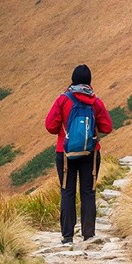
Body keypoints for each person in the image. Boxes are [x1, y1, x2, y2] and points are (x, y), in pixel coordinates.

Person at [44, 64, 113, 245]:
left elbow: (50, 126)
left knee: (67, 192)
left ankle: (67, 236)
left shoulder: (63, 100)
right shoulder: (95, 102)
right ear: (89, 81)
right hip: (90, 153)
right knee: (88, 192)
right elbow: (107, 127)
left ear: (72, 79)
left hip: (65, 153)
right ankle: (88, 235)